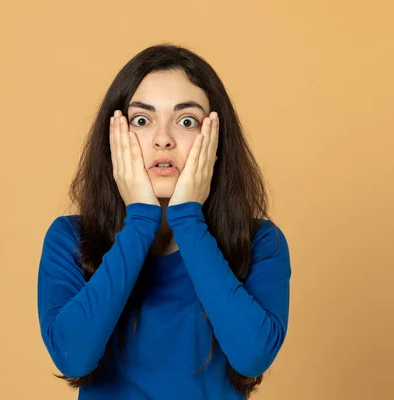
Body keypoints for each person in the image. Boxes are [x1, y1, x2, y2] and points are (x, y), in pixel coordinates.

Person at [37, 43, 292, 400]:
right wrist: (140, 220)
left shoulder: (262, 243)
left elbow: (252, 358)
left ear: (216, 141)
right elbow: (73, 358)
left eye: (186, 121)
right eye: (142, 120)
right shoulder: (69, 238)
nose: (163, 140)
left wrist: (188, 219)